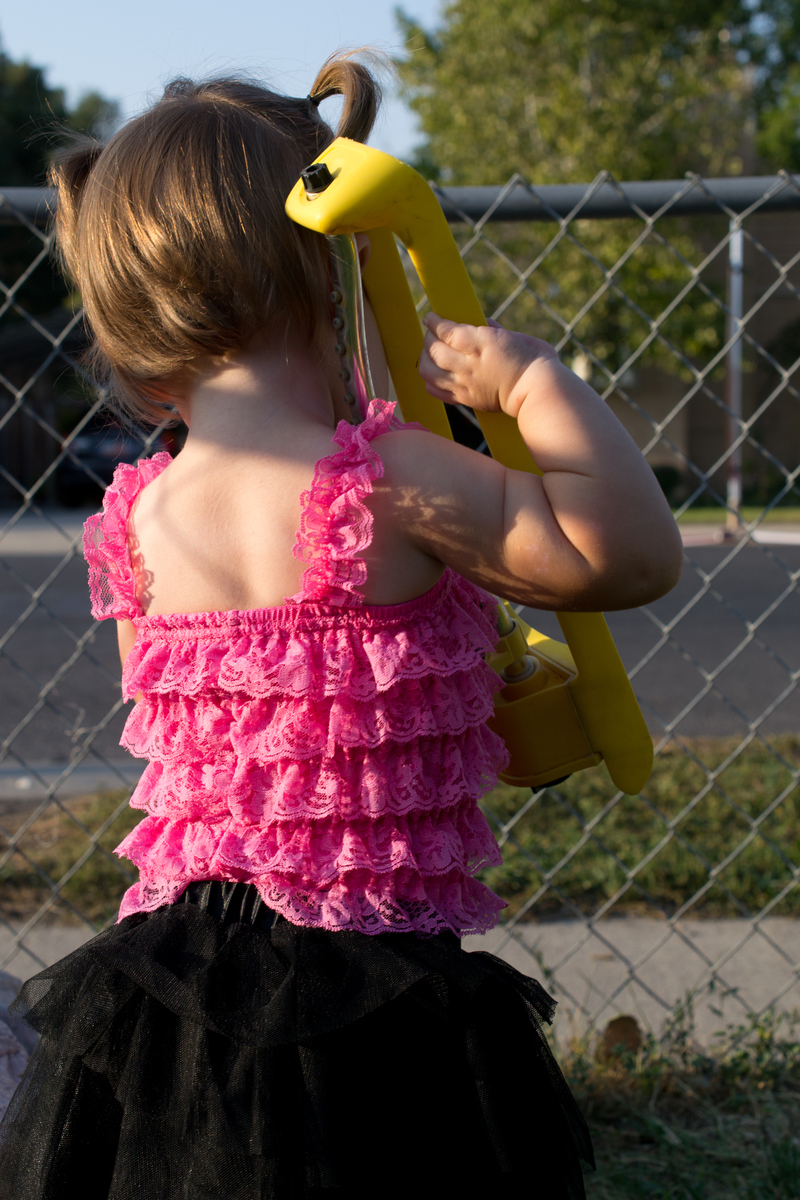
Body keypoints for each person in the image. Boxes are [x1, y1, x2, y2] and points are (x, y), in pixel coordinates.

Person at [0, 52, 683, 1200]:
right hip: (370, 1001)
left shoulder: (134, 522)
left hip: (174, 1002)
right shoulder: (391, 480)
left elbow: (211, 750)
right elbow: (624, 560)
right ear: (340, 263)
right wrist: (534, 389)